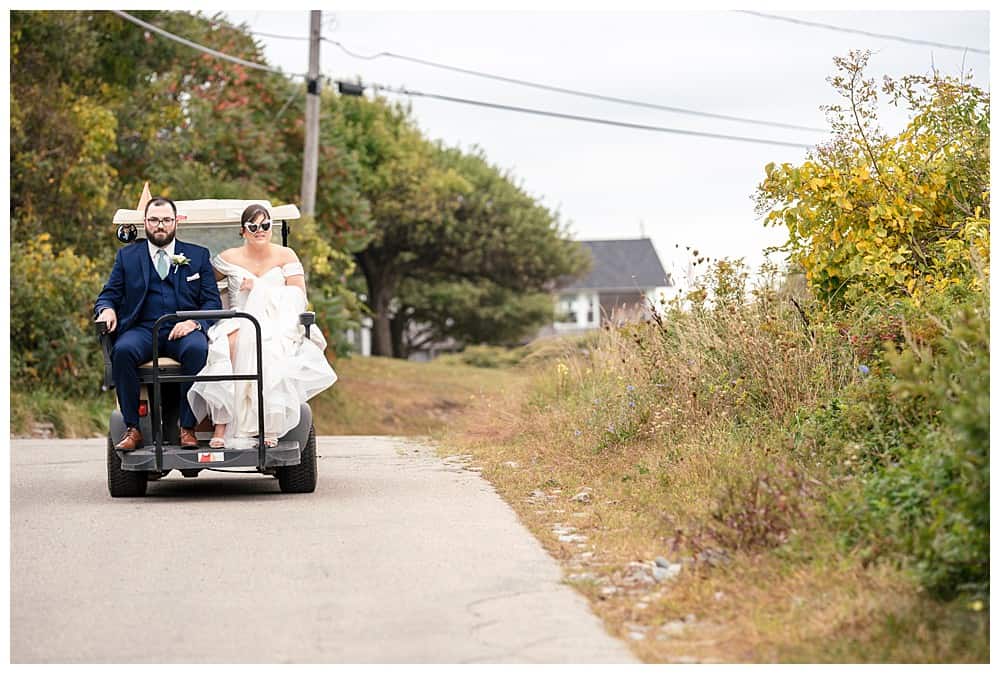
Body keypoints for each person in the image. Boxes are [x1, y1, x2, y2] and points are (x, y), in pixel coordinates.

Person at [188, 203, 337, 449]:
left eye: (265, 225)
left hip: (275, 320)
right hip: (238, 317)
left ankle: (269, 424)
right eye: (253, 226)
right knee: (227, 346)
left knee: (269, 349)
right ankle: (222, 425)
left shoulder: (285, 256)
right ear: (243, 230)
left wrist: (260, 289)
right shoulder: (228, 258)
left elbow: (298, 297)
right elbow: (202, 283)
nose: (260, 230)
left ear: (271, 228)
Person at [95, 196, 223, 451]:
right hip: (144, 329)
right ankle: (133, 428)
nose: (160, 225)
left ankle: (187, 427)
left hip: (183, 329)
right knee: (122, 351)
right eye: (154, 220)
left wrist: (194, 323)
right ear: (146, 223)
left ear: (176, 223)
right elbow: (109, 294)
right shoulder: (127, 257)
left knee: (198, 349)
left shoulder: (197, 256)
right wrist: (106, 309)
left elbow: (212, 302)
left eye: (166, 220)